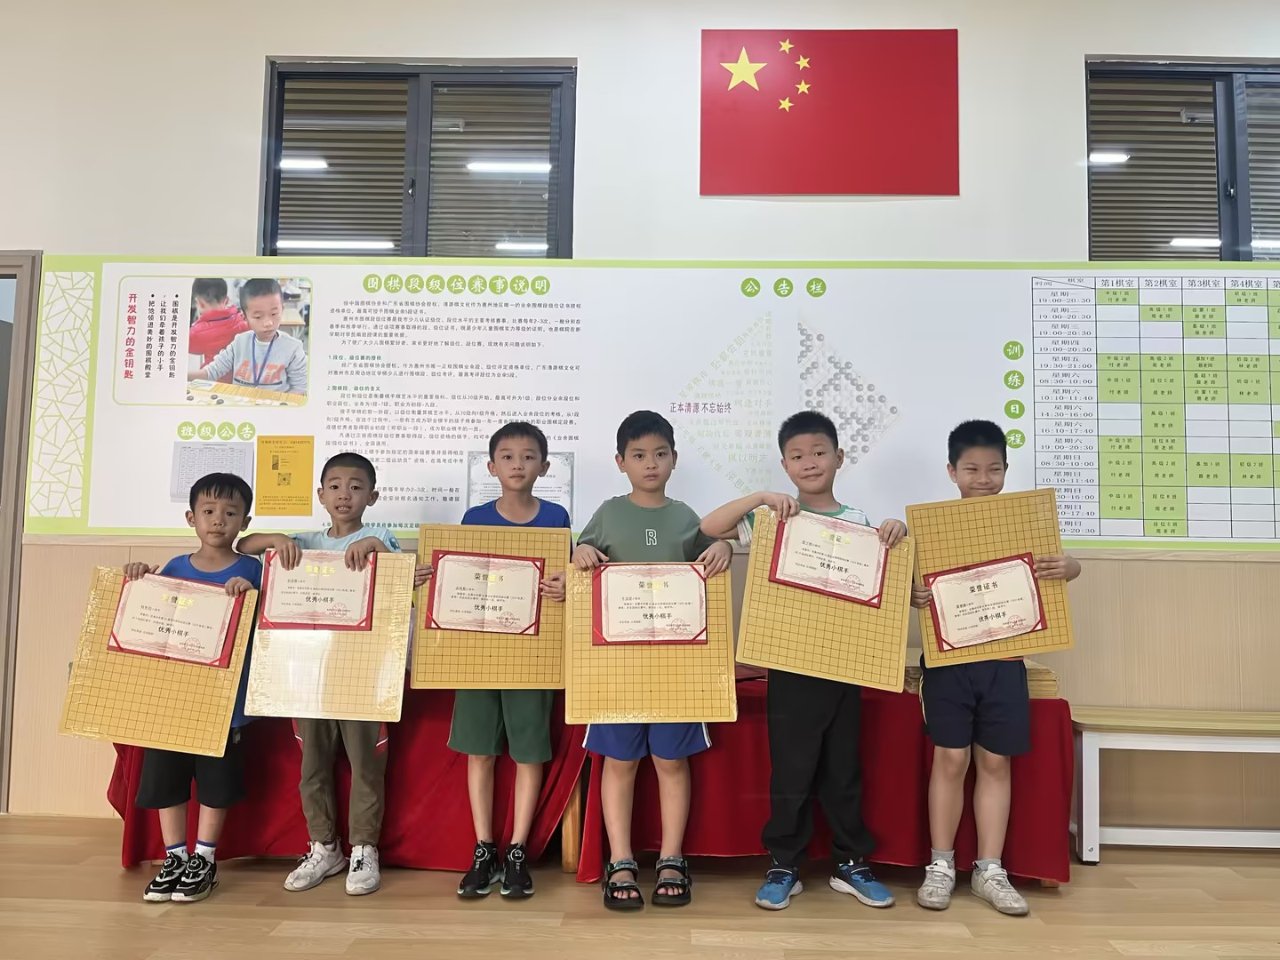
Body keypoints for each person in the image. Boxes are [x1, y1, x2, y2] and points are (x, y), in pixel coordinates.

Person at [700, 411, 906, 912]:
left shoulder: (861, 523)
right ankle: (784, 864)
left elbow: (883, 582)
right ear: (785, 466)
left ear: (839, 457)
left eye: (818, 452)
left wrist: (896, 532)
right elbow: (709, 526)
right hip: (789, 663)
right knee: (792, 770)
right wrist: (759, 497)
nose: (809, 462)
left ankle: (850, 863)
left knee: (843, 769)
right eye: (797, 456)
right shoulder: (774, 519)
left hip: (845, 664)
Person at [239, 452, 429, 896]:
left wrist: (376, 549)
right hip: (309, 673)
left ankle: (364, 847)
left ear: (372, 496)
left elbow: (401, 578)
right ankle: (324, 847)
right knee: (313, 765)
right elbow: (245, 546)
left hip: (363, 672)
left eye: (356, 487)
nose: (345, 494)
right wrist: (276, 538)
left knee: (366, 764)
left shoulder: (380, 536)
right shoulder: (303, 541)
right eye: (336, 486)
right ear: (320, 495)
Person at [911, 419, 1081, 916]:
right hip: (948, 663)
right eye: (971, 469)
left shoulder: (1024, 522)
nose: (983, 479)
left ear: (1006, 470)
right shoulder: (932, 529)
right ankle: (941, 865)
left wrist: (1070, 567)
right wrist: (914, 594)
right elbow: (911, 586)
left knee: (994, 762)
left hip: (1005, 663)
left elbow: (1060, 567)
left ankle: (989, 869)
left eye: (994, 469)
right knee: (950, 760)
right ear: (951, 471)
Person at [573, 410, 733, 911]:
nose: (650, 464)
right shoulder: (607, 513)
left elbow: (712, 551)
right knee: (619, 761)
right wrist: (580, 553)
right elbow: (580, 559)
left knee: (670, 760)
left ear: (674, 459)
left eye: (660, 454)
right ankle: (620, 860)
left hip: (678, 667)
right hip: (614, 667)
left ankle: (671, 858)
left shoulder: (686, 517)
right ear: (620, 462)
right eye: (639, 455)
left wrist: (723, 547)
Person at [123, 472, 261, 904]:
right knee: (167, 777)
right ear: (191, 518)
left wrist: (250, 594)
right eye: (208, 511)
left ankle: (205, 859)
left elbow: (265, 627)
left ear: (244, 522)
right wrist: (140, 579)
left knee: (216, 781)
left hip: (223, 700)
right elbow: (151, 619)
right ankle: (175, 857)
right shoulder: (174, 568)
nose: (218, 520)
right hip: (172, 698)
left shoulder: (252, 570)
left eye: (230, 513)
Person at [449, 422, 570, 900]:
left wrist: (564, 586)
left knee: (528, 752)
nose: (518, 464)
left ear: (545, 465)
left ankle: (518, 849)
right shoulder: (475, 517)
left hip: (534, 654)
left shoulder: (556, 517)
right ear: (491, 466)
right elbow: (461, 580)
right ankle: (484, 848)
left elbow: (566, 579)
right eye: (507, 456)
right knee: (479, 750)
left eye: (528, 456)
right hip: (479, 652)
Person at [189, 278, 307, 395]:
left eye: (274, 314)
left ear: (282, 310)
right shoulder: (239, 342)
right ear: (244, 317)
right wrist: (182, 375)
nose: (268, 323)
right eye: (258, 317)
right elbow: (212, 371)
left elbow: (300, 388)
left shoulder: (293, 349)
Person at [188, 278, 249, 379]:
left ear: (200, 303)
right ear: (226, 300)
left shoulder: (197, 333)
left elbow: (179, 345)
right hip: (240, 380)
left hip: (212, 381)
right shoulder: (243, 322)